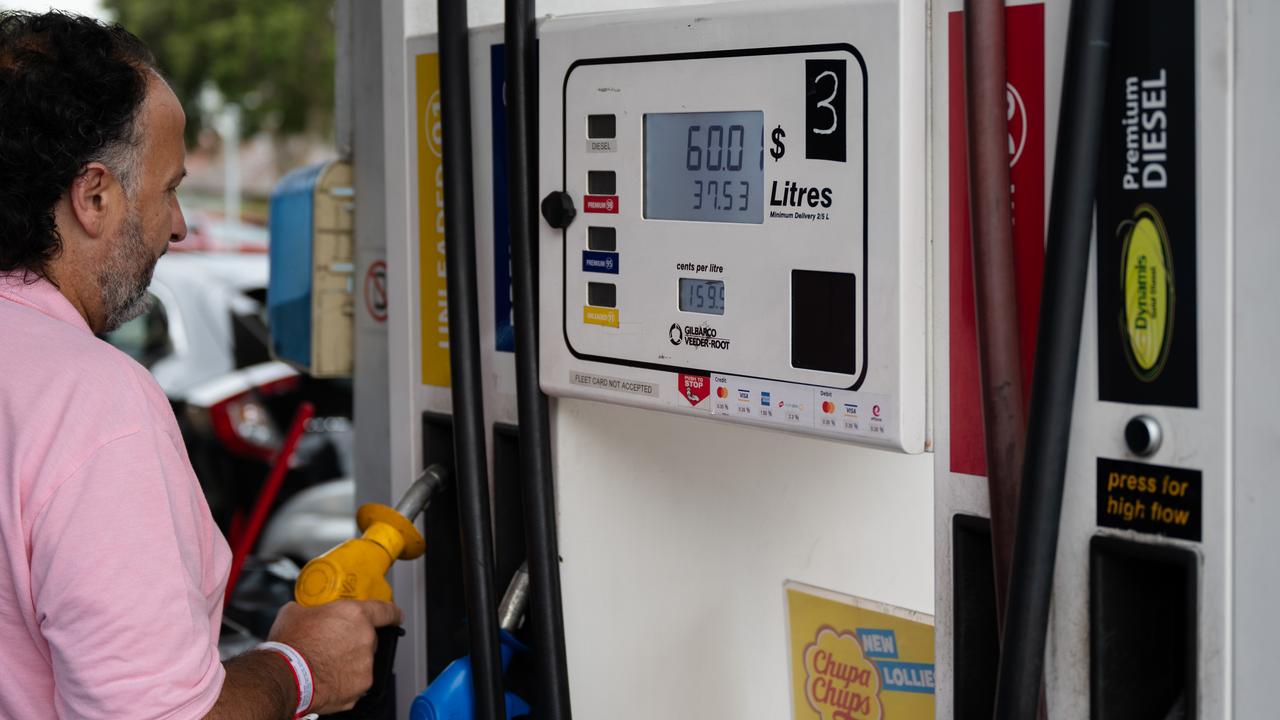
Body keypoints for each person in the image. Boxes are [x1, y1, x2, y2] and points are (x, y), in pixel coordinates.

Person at [0, 11, 400, 719]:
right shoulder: (92, 404)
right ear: (93, 196)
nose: (179, 225)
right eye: (169, 188)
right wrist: (298, 669)